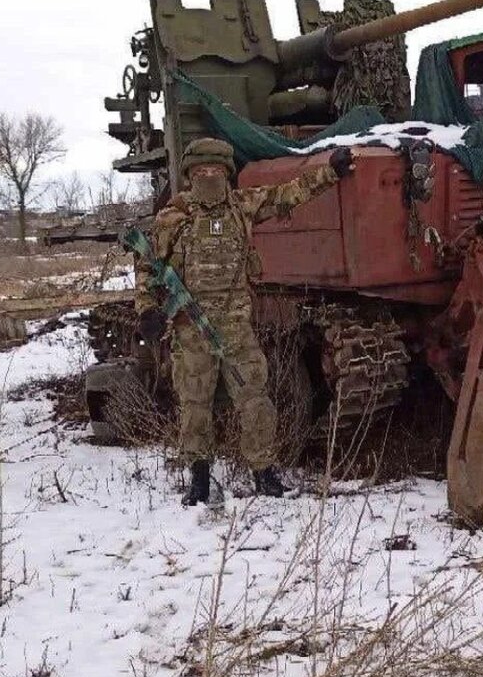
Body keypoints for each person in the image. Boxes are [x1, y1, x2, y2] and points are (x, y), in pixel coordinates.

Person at [134, 137, 355, 506]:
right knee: (194, 405)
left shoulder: (242, 206)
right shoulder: (172, 218)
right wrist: (147, 309)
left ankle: (264, 474)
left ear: (227, 174)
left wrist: (330, 172)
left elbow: (289, 194)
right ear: (190, 175)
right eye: (201, 171)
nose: (209, 176)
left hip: (237, 328)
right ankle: (200, 480)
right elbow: (147, 268)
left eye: (216, 170)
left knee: (255, 400)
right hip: (191, 329)